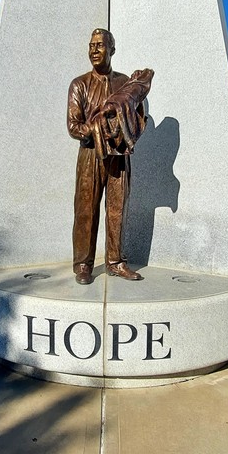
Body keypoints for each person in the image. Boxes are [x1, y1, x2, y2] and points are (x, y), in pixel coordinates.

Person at [67, 28, 152, 284]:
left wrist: (122, 130)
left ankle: (115, 262)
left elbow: (137, 117)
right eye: (91, 45)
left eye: (100, 45)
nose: (94, 50)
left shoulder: (125, 82)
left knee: (117, 210)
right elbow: (73, 126)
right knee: (85, 211)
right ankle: (83, 264)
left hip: (118, 156)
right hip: (90, 155)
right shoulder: (79, 84)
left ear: (112, 50)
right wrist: (97, 129)